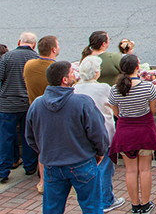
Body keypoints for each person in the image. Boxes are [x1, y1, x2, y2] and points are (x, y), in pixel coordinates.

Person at [25, 60, 109, 214]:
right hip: (82, 162)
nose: (74, 75)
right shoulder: (82, 102)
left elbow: (30, 137)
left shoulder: (36, 105)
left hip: (52, 165)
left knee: (52, 209)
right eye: (71, 72)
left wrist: (46, 152)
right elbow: (98, 133)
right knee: (92, 207)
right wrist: (99, 152)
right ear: (64, 79)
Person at [107, 54, 156, 213]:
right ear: (138, 67)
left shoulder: (115, 89)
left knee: (130, 170)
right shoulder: (148, 87)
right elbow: (152, 110)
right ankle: (145, 204)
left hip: (125, 132)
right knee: (145, 169)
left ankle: (134, 204)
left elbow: (116, 112)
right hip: (145, 130)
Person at [74, 57, 125, 212]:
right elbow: (116, 106)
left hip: (82, 135)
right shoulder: (103, 88)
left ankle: (94, 200)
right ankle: (106, 200)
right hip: (104, 133)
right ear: (96, 72)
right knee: (105, 168)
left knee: (89, 169)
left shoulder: (75, 89)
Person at [0, 32, 39, 183]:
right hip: (28, 103)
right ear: (34, 45)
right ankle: (29, 166)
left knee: (6, 138)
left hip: (7, 104)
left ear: (19, 42)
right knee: (27, 135)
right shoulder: (36, 58)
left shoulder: (6, 57)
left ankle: (3, 170)